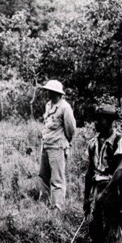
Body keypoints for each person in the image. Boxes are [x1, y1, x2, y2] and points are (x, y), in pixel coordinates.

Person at [84, 104, 122, 243]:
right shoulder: (93, 143)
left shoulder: (121, 141)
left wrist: (107, 192)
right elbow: (90, 171)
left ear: (111, 121)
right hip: (97, 189)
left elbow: (121, 170)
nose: (97, 123)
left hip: (114, 191)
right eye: (96, 119)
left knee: (112, 229)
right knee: (95, 229)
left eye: (102, 119)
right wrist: (86, 198)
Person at [38, 80, 76, 211]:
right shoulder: (49, 105)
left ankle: (57, 209)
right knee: (43, 176)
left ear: (57, 93)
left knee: (57, 180)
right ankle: (43, 205)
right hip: (46, 145)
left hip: (57, 147)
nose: (48, 93)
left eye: (50, 91)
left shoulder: (65, 108)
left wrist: (66, 143)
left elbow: (70, 129)